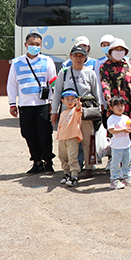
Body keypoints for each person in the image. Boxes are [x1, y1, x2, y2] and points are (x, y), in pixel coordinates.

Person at [7, 32, 57, 174]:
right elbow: (11, 84)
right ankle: (36, 162)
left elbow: (53, 82)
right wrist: (12, 103)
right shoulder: (16, 62)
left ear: (41, 46)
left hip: (42, 104)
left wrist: (54, 102)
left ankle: (48, 161)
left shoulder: (47, 61)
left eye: (37, 44)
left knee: (45, 134)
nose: (34, 46)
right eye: (32, 44)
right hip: (25, 105)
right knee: (29, 134)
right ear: (25, 45)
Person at [51, 45, 103, 178]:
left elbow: (97, 93)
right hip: (67, 113)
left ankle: (89, 167)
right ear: (70, 56)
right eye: (76, 56)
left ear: (85, 57)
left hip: (85, 110)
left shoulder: (90, 73)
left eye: (81, 56)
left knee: (87, 140)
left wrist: (99, 109)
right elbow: (57, 93)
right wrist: (54, 111)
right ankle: (71, 169)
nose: (78, 58)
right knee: (69, 141)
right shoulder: (64, 72)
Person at [100, 38, 131, 174]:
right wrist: (108, 96)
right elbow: (105, 83)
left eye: (121, 49)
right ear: (110, 51)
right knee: (117, 135)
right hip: (116, 107)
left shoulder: (130, 65)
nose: (119, 52)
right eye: (116, 49)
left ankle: (130, 166)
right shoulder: (105, 66)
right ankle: (117, 166)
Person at [107, 95, 131, 189]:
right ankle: (114, 180)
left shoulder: (125, 117)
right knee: (115, 164)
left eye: (122, 105)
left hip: (126, 145)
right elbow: (111, 130)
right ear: (111, 108)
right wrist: (123, 130)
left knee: (127, 163)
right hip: (116, 146)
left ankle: (127, 177)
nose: (120, 108)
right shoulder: (111, 118)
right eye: (117, 106)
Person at [56, 89, 83, 187]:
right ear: (63, 100)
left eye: (72, 99)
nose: (70, 101)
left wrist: (79, 105)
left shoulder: (75, 111)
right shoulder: (63, 113)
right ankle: (66, 174)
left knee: (72, 157)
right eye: (67, 99)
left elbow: (79, 110)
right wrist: (58, 136)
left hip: (72, 137)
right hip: (62, 138)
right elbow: (60, 126)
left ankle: (74, 175)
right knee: (63, 157)